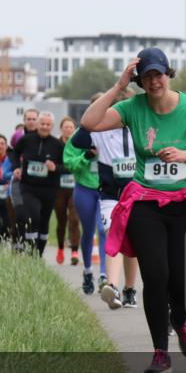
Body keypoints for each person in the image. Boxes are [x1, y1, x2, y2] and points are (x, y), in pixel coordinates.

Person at [81, 47, 186, 373]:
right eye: (147, 76)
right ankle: (160, 353)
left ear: (169, 74)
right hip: (145, 203)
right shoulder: (132, 107)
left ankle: (180, 320)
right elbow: (89, 122)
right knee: (155, 276)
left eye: (159, 74)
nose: (154, 81)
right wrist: (119, 83)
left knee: (183, 277)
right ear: (140, 81)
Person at [72, 92, 140, 309]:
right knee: (113, 233)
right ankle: (112, 286)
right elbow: (79, 137)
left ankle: (130, 289)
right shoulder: (100, 129)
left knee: (133, 240)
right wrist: (99, 109)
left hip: (138, 189)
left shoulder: (140, 125)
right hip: (111, 191)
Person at [9, 112, 63, 256]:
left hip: (49, 189)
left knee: (44, 221)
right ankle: (30, 250)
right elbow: (14, 153)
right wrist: (16, 167)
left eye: (48, 124)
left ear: (52, 126)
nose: (44, 127)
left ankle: (38, 254)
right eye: (42, 123)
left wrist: (55, 167)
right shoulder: (26, 140)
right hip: (29, 187)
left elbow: (67, 166)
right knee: (34, 217)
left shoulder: (57, 145)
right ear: (37, 124)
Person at [65, 119, 108, 294]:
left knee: (104, 229)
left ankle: (104, 275)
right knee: (88, 232)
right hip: (85, 189)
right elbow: (69, 164)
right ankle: (88, 271)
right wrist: (86, 157)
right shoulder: (78, 137)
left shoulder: (112, 133)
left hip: (107, 189)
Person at [54, 116, 82, 266]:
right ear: (61, 129)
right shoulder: (56, 145)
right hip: (58, 189)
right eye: (66, 127)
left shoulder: (78, 144)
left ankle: (75, 251)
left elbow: (82, 163)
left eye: (71, 127)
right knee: (61, 220)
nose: (68, 130)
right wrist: (63, 168)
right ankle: (59, 248)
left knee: (74, 219)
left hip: (75, 187)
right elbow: (53, 166)